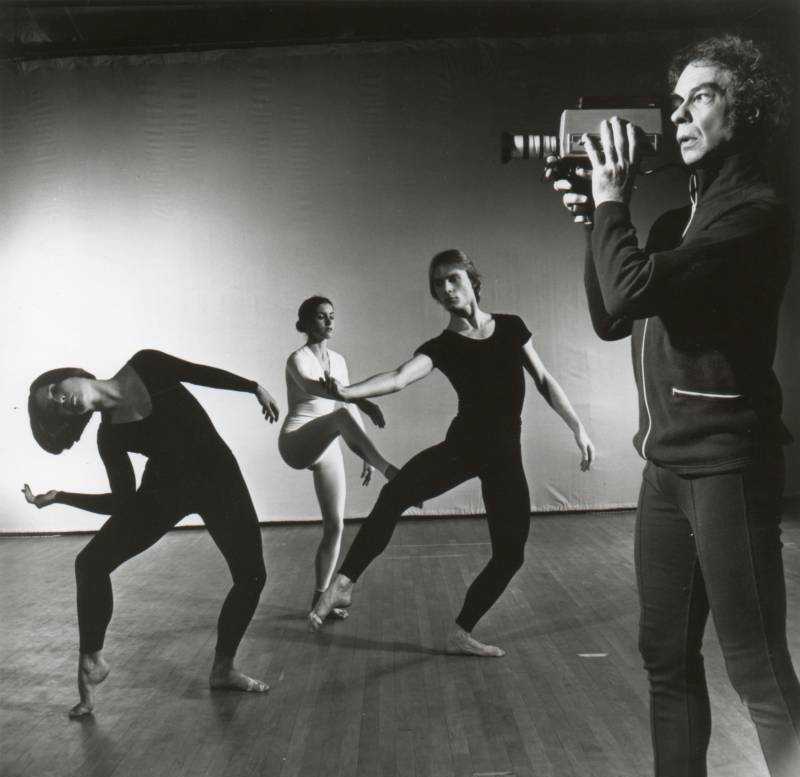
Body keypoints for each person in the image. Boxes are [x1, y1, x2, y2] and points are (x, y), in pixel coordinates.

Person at [548, 34, 800, 777]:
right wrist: (595, 217)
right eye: (677, 98)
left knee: (758, 672)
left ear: (745, 110)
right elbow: (609, 315)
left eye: (703, 96)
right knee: (665, 662)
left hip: (727, 465)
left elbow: (625, 295)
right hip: (667, 472)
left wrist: (612, 202)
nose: (680, 113)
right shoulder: (670, 226)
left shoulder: (754, 213)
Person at [309, 249, 595, 657]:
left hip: (504, 458)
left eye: (453, 279)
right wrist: (345, 392)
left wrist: (577, 427)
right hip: (461, 450)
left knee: (511, 554)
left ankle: (461, 631)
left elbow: (545, 380)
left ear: (472, 280)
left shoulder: (512, 328)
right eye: (438, 284)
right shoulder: (443, 346)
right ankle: (343, 584)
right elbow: (398, 378)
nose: (446, 289)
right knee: (395, 495)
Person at [23, 349, 281, 718]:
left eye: (53, 392)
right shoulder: (109, 437)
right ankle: (91, 661)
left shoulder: (146, 364)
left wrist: (253, 387)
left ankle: (223, 668)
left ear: (67, 375)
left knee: (252, 575)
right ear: (70, 419)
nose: (61, 400)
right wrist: (61, 497)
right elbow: (122, 503)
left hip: (218, 478)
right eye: (57, 409)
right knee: (90, 563)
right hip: (166, 489)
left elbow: (199, 372)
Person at [279, 296, 400, 620]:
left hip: (329, 440)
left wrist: (360, 449)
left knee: (335, 526)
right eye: (321, 317)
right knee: (341, 416)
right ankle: (386, 467)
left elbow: (345, 406)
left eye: (332, 316)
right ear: (305, 324)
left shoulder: (339, 360)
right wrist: (365, 402)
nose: (329, 322)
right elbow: (315, 388)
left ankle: (320, 598)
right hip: (297, 440)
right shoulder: (298, 358)